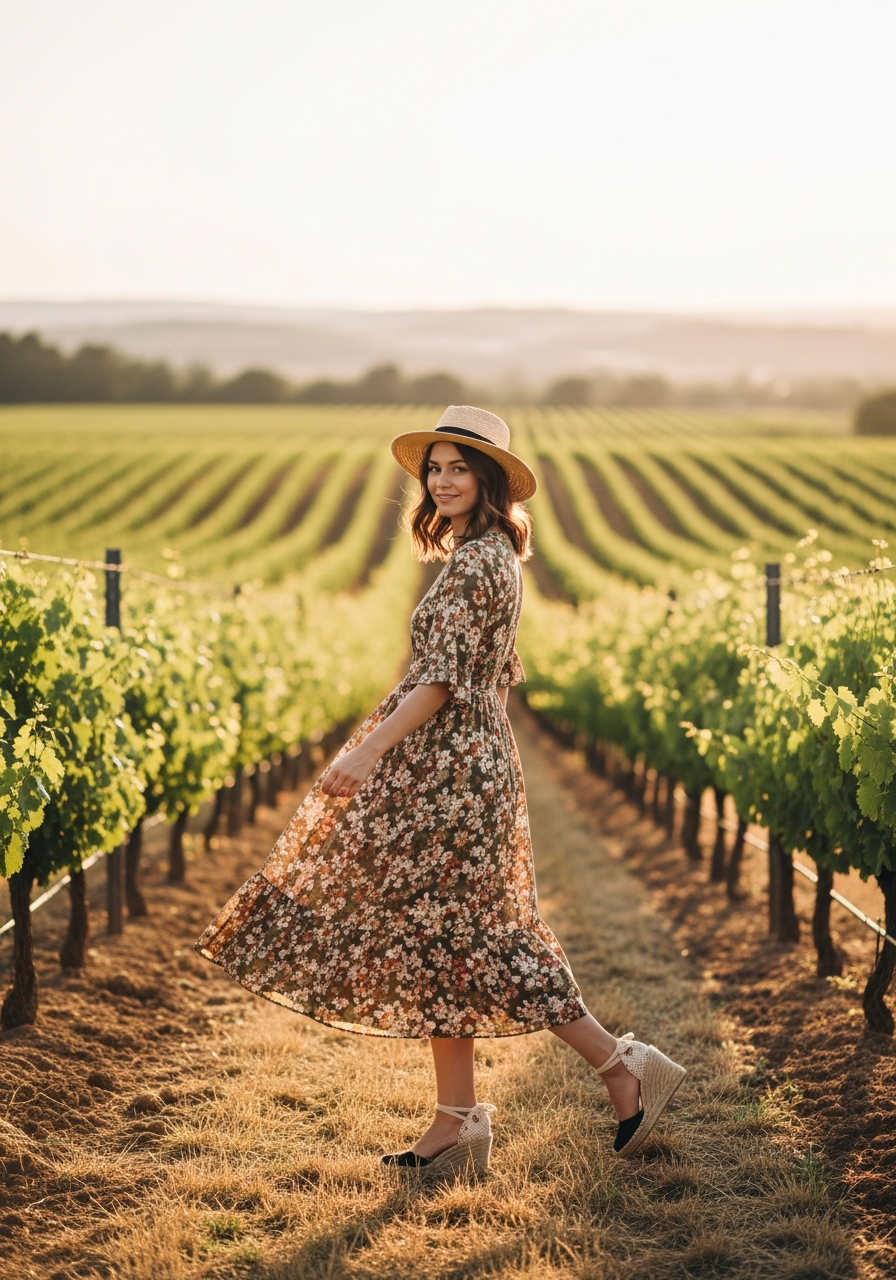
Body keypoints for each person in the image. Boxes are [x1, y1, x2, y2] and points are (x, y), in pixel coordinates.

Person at [195, 405, 686, 1176]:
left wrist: (366, 752)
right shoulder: (484, 555)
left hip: (454, 775)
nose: (444, 479)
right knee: (441, 939)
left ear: (489, 481)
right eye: (436, 467)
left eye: (461, 467)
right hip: (450, 769)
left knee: (484, 936)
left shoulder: (480, 561)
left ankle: (620, 1067)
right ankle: (457, 1123)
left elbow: (443, 682)